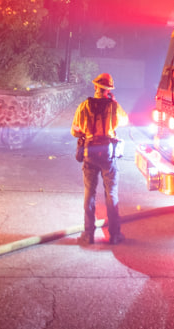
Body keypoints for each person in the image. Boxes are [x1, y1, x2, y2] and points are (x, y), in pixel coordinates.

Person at [71, 72, 128, 245]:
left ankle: (88, 235)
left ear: (95, 87)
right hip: (108, 154)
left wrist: (86, 131)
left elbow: (74, 130)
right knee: (111, 194)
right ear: (108, 90)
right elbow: (125, 121)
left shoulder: (84, 106)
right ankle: (115, 235)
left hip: (90, 153)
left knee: (89, 193)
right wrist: (114, 102)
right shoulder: (113, 106)